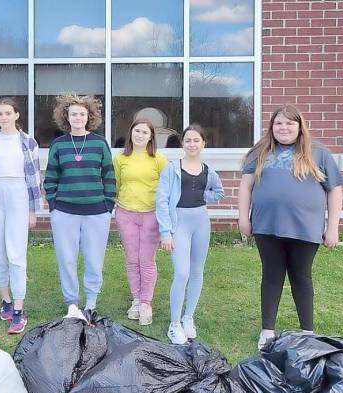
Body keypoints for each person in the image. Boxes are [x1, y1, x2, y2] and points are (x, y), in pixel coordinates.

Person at [238, 104, 343, 350]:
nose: (283, 128)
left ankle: (307, 331)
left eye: (289, 123)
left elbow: (335, 190)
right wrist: (243, 217)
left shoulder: (318, 152)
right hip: (267, 226)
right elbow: (245, 186)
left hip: (305, 228)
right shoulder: (260, 150)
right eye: (278, 123)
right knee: (272, 276)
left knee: (301, 277)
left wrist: (333, 226)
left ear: (299, 126)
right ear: (271, 127)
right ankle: (267, 331)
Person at [0, 97, 42, 334]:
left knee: (16, 253)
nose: (3, 117)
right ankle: (6, 301)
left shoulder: (28, 142)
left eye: (7, 113)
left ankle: (20, 309)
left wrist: (33, 209)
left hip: (19, 196)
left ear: (16, 115)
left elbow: (34, 179)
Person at [44, 93, 116, 320]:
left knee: (94, 259)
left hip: (97, 212)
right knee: (66, 259)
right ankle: (72, 303)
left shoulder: (99, 143)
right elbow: (51, 178)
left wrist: (108, 205)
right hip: (64, 212)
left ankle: (91, 302)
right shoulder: (58, 145)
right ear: (66, 116)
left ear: (89, 116)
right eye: (73, 113)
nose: (78, 117)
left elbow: (109, 175)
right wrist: (53, 204)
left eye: (82, 114)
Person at [156, 124, 224, 344]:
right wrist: (165, 232)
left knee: (197, 272)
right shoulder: (172, 168)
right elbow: (162, 200)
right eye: (188, 140)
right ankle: (174, 324)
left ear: (203, 143)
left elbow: (218, 192)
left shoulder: (208, 170)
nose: (192, 144)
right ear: (182, 144)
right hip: (179, 225)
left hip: (201, 222)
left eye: (196, 140)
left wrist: (204, 194)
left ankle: (188, 317)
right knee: (182, 273)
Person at [113, 119, 167, 325]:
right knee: (132, 258)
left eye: (145, 132)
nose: (140, 135)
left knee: (146, 259)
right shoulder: (120, 158)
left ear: (151, 136)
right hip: (126, 213)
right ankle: (136, 299)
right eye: (137, 131)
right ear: (131, 133)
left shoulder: (158, 159)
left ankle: (146, 302)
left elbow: (167, 188)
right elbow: (116, 183)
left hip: (151, 214)